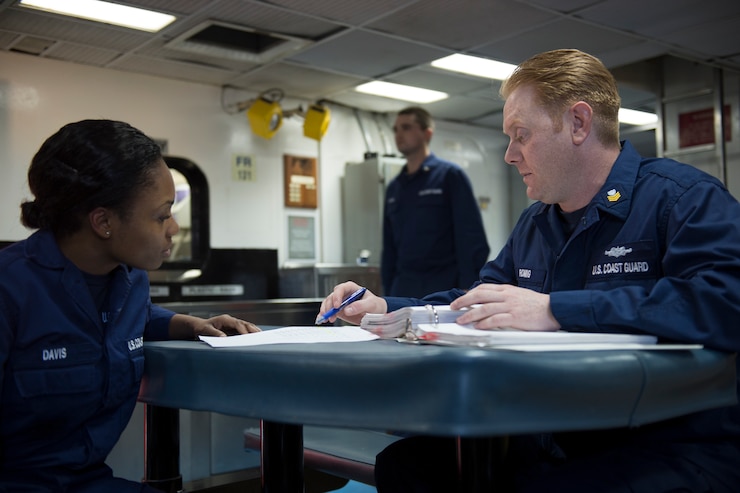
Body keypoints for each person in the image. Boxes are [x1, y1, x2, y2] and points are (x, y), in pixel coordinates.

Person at [319, 49, 740, 492]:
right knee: (405, 467)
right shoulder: (537, 223)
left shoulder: (682, 199)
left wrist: (557, 310)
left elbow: (725, 300)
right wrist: (386, 306)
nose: (509, 155)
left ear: (579, 123)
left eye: (521, 134)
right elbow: (477, 299)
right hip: (552, 434)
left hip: (664, 442)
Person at [0, 120, 261, 492]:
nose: (172, 228)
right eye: (161, 215)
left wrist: (187, 324)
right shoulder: (11, 288)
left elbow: (118, 321)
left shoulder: (129, 280)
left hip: (90, 482)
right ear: (103, 221)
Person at [381, 106, 489, 297]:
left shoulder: (449, 176)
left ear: (427, 133)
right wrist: (388, 291)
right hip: (403, 288)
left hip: (443, 286)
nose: (399, 134)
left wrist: (468, 286)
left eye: (406, 127)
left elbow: (470, 236)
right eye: (396, 129)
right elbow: (389, 247)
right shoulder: (395, 187)